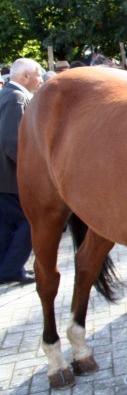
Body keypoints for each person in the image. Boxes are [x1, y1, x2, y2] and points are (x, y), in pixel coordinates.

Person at [0, 58, 44, 285]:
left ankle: (7, 268)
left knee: (8, 225)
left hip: (5, 177)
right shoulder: (16, 98)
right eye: (38, 74)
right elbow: (11, 140)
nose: (41, 80)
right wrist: (30, 172)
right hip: (9, 177)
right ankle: (10, 269)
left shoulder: (8, 94)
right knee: (30, 221)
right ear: (25, 76)